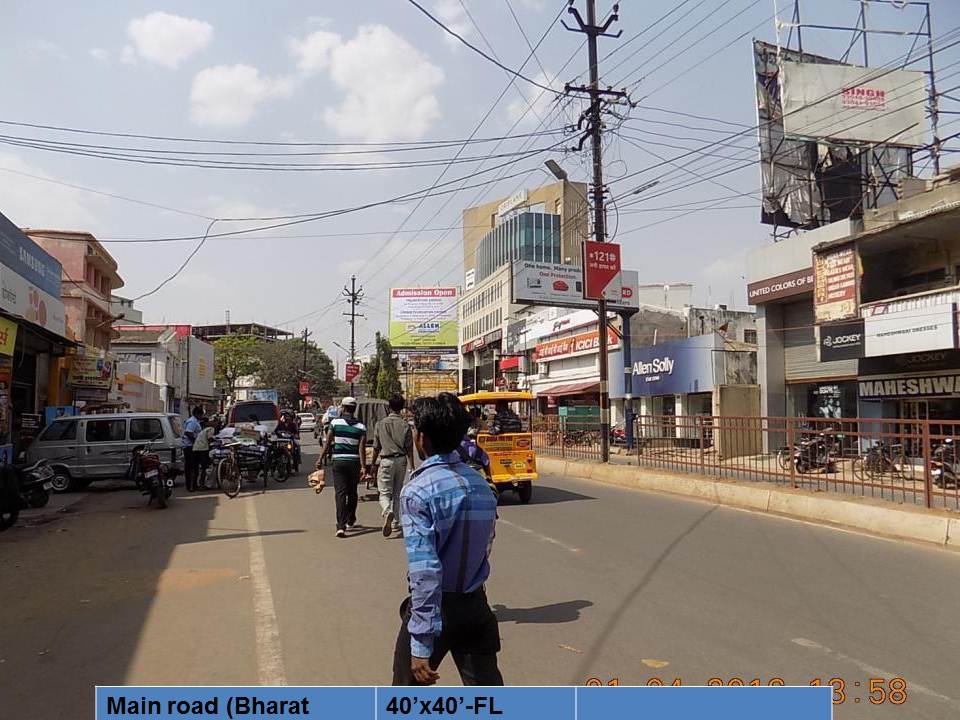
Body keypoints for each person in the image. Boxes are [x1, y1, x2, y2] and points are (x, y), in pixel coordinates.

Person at [393, 392, 502, 686]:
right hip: (476, 604)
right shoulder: (481, 485)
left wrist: (420, 644)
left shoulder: (417, 491)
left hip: (438, 608)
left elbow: (425, 572)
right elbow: (485, 546)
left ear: (422, 439)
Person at [316, 397, 367, 538]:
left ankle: (340, 526)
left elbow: (327, 443)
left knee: (340, 493)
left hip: (338, 462)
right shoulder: (361, 427)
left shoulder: (335, 423)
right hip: (354, 462)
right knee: (352, 492)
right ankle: (350, 517)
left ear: (343, 408)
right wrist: (363, 467)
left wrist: (320, 458)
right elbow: (361, 449)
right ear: (354, 409)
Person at [370, 393, 414, 537]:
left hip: (386, 460)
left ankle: (387, 511)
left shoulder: (380, 424)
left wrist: (372, 464)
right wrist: (412, 466)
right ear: (401, 408)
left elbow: (376, 447)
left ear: (389, 407)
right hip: (401, 460)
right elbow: (409, 447)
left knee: (384, 492)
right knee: (397, 492)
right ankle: (395, 523)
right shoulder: (405, 425)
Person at [182, 406, 203, 491]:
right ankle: (191, 486)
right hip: (190, 447)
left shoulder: (194, 421)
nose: (201, 417)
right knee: (192, 467)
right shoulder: (192, 422)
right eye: (201, 415)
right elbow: (188, 432)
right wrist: (195, 442)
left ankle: (193, 485)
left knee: (194, 467)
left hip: (191, 446)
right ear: (197, 414)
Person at [192, 420, 216, 490]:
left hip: (195, 449)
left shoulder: (203, 430)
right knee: (204, 467)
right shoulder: (211, 429)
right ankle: (202, 484)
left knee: (196, 468)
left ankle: (194, 485)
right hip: (203, 449)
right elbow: (210, 439)